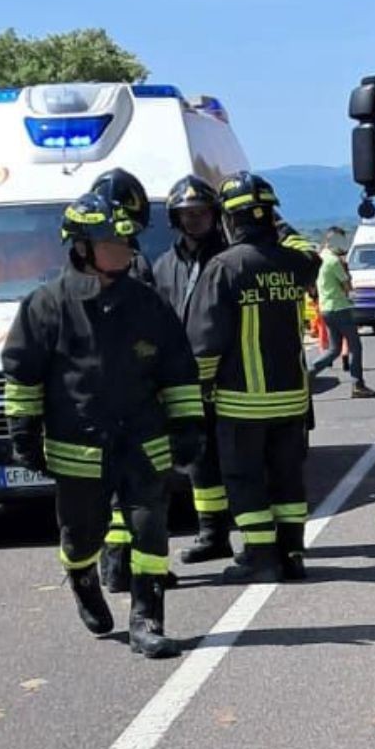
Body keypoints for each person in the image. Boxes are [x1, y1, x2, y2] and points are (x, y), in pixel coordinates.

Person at [0, 191, 204, 658]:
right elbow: (22, 374)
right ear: (82, 247)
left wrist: (189, 424)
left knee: (150, 526)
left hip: (142, 441)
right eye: (116, 241)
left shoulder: (147, 304)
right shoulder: (45, 306)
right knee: (81, 534)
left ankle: (147, 620)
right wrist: (23, 432)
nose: (128, 250)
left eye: (130, 240)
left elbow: (178, 369)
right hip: (80, 447)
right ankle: (81, 576)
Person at [187, 173, 322, 583]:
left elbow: (205, 342)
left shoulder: (224, 267)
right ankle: (292, 554)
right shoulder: (293, 262)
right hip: (292, 399)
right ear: (270, 216)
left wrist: (200, 394)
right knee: (287, 479)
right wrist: (278, 226)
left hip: (241, 401)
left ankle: (261, 556)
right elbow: (309, 253)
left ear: (230, 219)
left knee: (245, 479)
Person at [150, 175, 233, 564]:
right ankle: (212, 534)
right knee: (198, 463)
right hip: (180, 382)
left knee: (239, 461)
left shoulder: (230, 259)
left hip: (230, 380)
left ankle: (260, 540)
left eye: (201, 212)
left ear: (214, 215)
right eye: (186, 214)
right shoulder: (163, 266)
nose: (194, 219)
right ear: (175, 219)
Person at [88, 168, 160, 592]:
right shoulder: (133, 265)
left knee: (117, 494)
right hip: (133, 395)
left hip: (97, 400)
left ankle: (116, 567)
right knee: (138, 493)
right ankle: (126, 569)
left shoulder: (80, 265)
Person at [307, 228, 375, 399]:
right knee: (355, 347)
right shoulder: (333, 261)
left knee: (334, 349)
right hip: (340, 307)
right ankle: (358, 384)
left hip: (326, 308)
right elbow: (347, 286)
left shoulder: (320, 258)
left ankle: (309, 372)